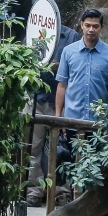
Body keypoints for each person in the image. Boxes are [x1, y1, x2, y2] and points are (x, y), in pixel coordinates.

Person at [26, 23, 80, 206]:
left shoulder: (71, 37)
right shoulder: (32, 32)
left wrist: (60, 67)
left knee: (61, 149)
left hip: (60, 101)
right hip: (36, 98)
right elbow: (24, 63)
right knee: (33, 147)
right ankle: (34, 189)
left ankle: (62, 191)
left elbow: (77, 67)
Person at [55, 9, 108, 121]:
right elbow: (62, 85)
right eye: (87, 25)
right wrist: (58, 117)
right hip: (71, 119)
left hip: (99, 121)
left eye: (95, 26)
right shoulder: (68, 51)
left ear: (102, 27)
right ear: (81, 25)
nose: (91, 30)